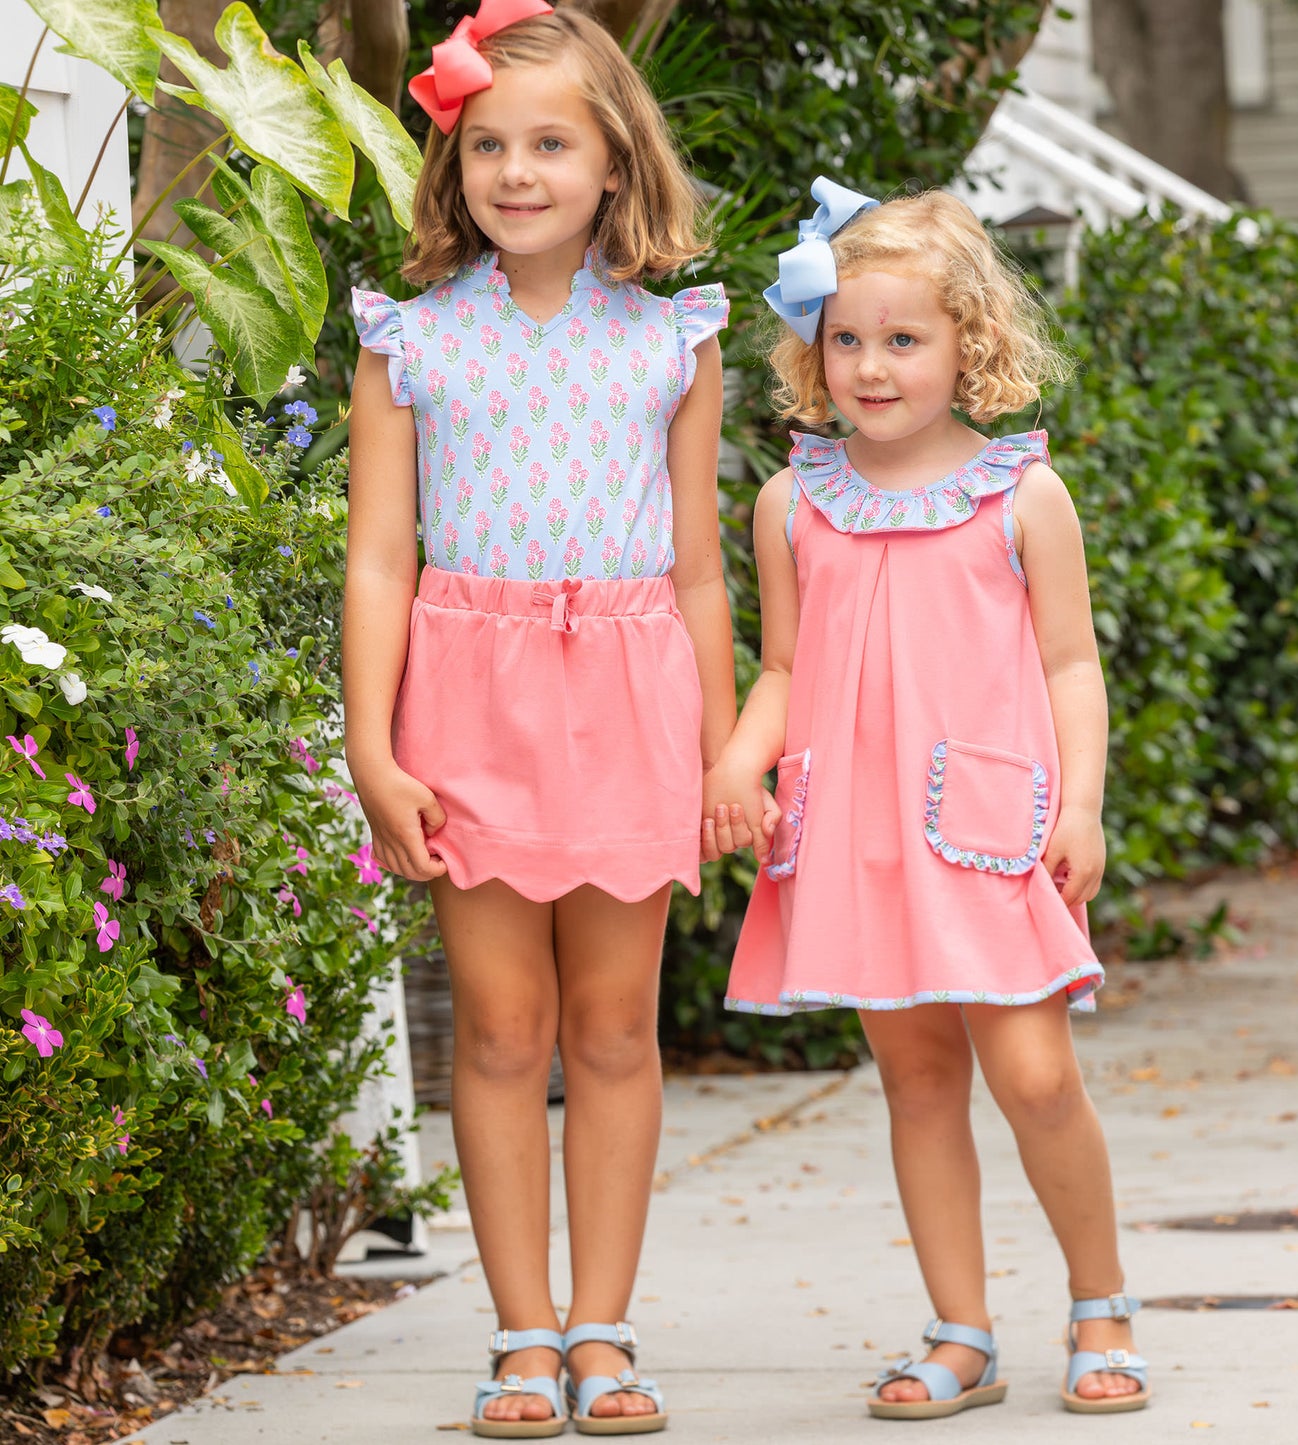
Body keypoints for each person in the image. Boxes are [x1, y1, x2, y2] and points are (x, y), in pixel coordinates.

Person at [343, 4, 733, 1435]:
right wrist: (373, 747)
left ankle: (605, 1332)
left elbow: (697, 565)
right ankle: (521, 1333)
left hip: (632, 692)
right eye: (488, 144)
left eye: (551, 142)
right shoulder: (408, 342)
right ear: (453, 169)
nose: (518, 171)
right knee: (505, 1029)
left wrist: (722, 749)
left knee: (616, 1024)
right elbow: (381, 558)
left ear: (615, 162)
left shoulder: (673, 340)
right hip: (469, 700)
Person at [707, 179, 1149, 1418]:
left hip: (990, 833)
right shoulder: (793, 502)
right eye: (844, 338)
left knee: (1035, 1075)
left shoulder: (1020, 495)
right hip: (856, 834)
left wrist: (1082, 807)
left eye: (902, 339)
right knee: (913, 1080)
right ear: (812, 348)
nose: (870, 365)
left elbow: (1071, 663)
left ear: (970, 343)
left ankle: (1099, 1300)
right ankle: (961, 1328)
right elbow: (784, 669)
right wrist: (739, 758)